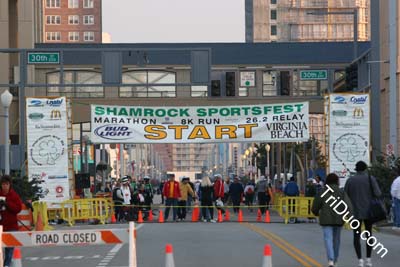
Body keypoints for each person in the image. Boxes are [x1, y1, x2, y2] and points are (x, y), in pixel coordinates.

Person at [345, 161, 382, 267]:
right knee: (369, 234)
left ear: (356, 169)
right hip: (369, 211)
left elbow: (345, 196)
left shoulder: (350, 180)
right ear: (365, 169)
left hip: (355, 212)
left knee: (356, 235)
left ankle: (360, 260)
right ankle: (369, 259)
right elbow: (378, 193)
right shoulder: (371, 179)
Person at [312, 173, 352, 267]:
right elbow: (348, 205)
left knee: (328, 239)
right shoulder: (341, 192)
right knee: (336, 240)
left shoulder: (323, 191)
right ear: (337, 181)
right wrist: (348, 216)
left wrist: (316, 213)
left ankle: (330, 259)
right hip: (339, 219)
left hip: (326, 219)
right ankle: (335, 260)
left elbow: (315, 205)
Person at [0, 175, 22, 267]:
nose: (5, 186)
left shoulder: (14, 195)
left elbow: (18, 208)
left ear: (10, 185)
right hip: (1, 226)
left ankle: (6, 265)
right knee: (1, 251)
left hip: (11, 226)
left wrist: (7, 204)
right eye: (3, 184)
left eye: (7, 184)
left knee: (9, 250)